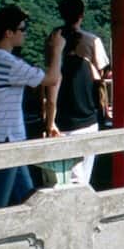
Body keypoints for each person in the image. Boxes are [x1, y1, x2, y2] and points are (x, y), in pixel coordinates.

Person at [0, 6, 64, 211]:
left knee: (27, 199)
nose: (25, 33)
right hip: (6, 140)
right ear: (8, 33)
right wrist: (57, 50)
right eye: (22, 29)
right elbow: (51, 79)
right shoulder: (8, 63)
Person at [44, 26, 105, 186]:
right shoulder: (88, 64)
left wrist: (50, 123)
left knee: (71, 180)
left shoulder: (57, 69)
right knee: (85, 178)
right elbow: (100, 87)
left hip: (66, 127)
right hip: (90, 124)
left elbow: (51, 101)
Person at [55, 0, 111, 77]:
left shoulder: (53, 38)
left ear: (61, 14)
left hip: (60, 87)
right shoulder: (93, 40)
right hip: (87, 87)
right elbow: (101, 70)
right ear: (82, 15)